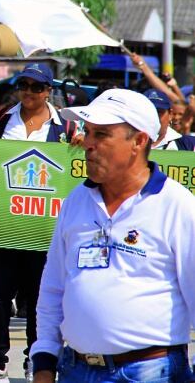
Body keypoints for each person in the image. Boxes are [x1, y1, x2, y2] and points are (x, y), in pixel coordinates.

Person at [30, 88, 195, 383]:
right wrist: (44, 361)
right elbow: (53, 288)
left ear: (139, 141)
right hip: (74, 370)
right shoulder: (75, 203)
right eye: (88, 132)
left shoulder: (177, 205)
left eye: (102, 135)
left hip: (151, 373)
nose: (87, 144)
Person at [0, 63, 80, 383]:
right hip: (2, 224)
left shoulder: (67, 127)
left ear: (48, 91)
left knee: (39, 299)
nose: (29, 92)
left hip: (45, 229)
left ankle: (37, 359)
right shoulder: (0, 119)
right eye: (24, 85)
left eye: (36, 87)